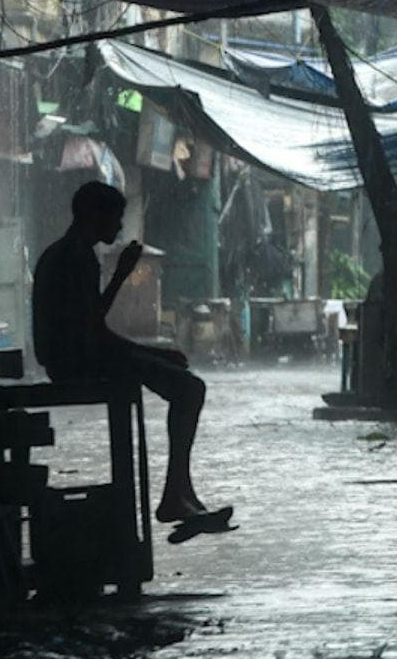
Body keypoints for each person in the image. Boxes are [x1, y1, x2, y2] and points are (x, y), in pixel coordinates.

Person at [32, 181, 231, 540]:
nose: (120, 227)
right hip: (76, 363)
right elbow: (94, 331)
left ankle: (179, 492)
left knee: (186, 385)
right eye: (116, 218)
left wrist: (153, 352)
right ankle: (175, 494)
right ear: (95, 216)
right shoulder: (76, 257)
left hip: (73, 358)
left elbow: (93, 328)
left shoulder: (66, 253)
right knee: (189, 389)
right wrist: (122, 277)